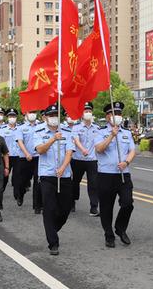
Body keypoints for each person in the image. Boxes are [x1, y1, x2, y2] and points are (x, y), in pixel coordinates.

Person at [94, 102, 136, 248]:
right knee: (106, 207)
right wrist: (111, 136)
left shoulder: (127, 133)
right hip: (106, 175)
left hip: (123, 174)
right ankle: (109, 235)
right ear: (107, 117)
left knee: (127, 203)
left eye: (119, 113)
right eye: (113, 114)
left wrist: (126, 162)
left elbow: (132, 150)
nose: (117, 116)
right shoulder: (100, 131)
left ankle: (120, 228)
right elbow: (99, 149)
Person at [34, 104, 74, 256]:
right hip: (47, 176)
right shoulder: (38, 132)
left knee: (65, 209)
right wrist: (52, 139)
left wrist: (64, 167)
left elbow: (69, 152)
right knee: (49, 208)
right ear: (45, 117)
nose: (54, 118)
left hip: (63, 175)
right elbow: (40, 150)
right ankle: (53, 243)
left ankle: (52, 229)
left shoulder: (67, 131)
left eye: (56, 115)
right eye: (51, 115)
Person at [71, 102, 99, 216]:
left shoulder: (97, 128)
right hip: (78, 159)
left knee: (93, 184)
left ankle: (94, 207)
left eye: (89, 111)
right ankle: (72, 202)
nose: (88, 113)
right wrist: (82, 149)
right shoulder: (76, 127)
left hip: (92, 160)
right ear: (81, 114)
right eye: (85, 111)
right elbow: (76, 140)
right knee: (74, 182)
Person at [16, 110, 43, 213]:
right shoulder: (21, 128)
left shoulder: (40, 126)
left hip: (38, 157)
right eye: (30, 112)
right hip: (25, 157)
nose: (32, 114)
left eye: (34, 112)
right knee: (23, 180)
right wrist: (26, 153)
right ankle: (20, 194)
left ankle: (37, 206)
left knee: (38, 181)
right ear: (26, 114)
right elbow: (20, 141)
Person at [0, 108, 21, 199]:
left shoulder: (20, 128)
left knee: (17, 177)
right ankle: (0, 192)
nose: (12, 118)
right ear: (7, 117)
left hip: (18, 156)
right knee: (5, 176)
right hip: (6, 156)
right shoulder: (3, 129)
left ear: (16, 117)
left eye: (13, 116)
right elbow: (0, 143)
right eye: (10, 116)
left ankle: (17, 195)